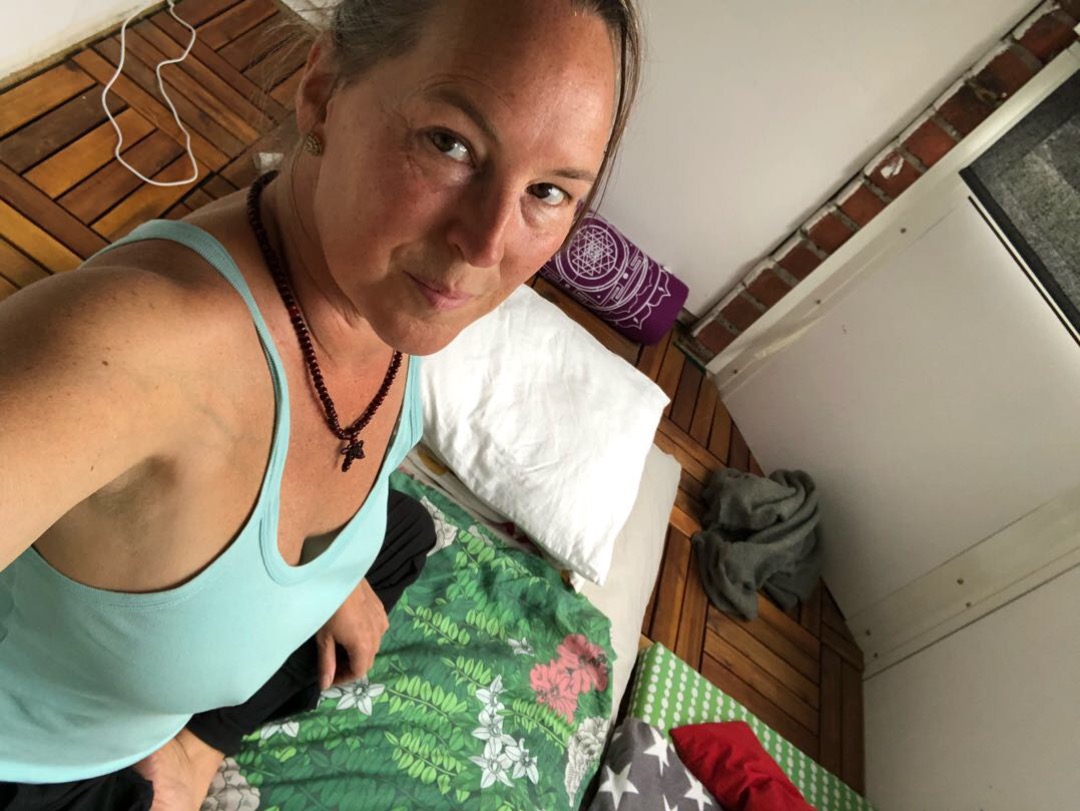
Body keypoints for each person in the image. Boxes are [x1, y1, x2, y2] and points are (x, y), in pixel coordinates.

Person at [0, 0, 643, 808]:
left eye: (546, 191)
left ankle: (198, 734)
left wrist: (319, 588)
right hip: (39, 768)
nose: (486, 246)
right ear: (324, 91)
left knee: (403, 533)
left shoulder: (385, 303)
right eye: (451, 144)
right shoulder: (129, 351)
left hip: (149, 702)